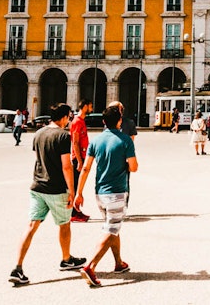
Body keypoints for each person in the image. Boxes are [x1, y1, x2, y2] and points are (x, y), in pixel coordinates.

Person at [8, 103, 87, 285]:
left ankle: (17, 267)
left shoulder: (39, 133)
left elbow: (39, 159)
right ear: (65, 117)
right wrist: (72, 191)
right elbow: (66, 166)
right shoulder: (63, 136)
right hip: (56, 188)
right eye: (69, 116)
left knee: (31, 226)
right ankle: (66, 259)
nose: (69, 120)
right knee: (64, 224)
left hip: (37, 187)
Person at [75, 105, 138, 287]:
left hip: (99, 193)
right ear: (119, 121)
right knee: (111, 230)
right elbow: (133, 167)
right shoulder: (126, 140)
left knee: (112, 226)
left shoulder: (96, 141)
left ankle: (118, 263)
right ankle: (90, 267)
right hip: (117, 192)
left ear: (103, 121)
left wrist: (79, 193)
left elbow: (85, 168)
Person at [69, 100, 93, 222]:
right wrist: (79, 161)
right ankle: (73, 213)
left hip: (82, 157)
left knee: (78, 186)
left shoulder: (81, 121)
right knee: (75, 186)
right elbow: (75, 142)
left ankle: (76, 211)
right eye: (90, 106)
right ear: (84, 107)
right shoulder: (77, 122)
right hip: (78, 158)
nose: (92, 109)